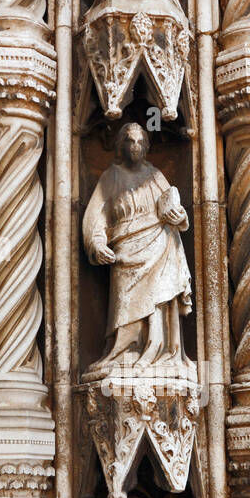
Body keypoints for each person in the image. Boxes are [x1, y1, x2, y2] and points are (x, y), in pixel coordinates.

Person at [83, 122, 192, 369]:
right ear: (121, 145)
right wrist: (98, 242)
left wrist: (180, 217)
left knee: (158, 301)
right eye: (130, 141)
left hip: (159, 245)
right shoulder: (111, 177)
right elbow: (95, 217)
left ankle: (160, 352)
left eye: (140, 142)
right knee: (125, 304)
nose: (135, 147)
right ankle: (123, 353)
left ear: (146, 147)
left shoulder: (155, 177)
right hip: (125, 250)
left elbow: (172, 207)